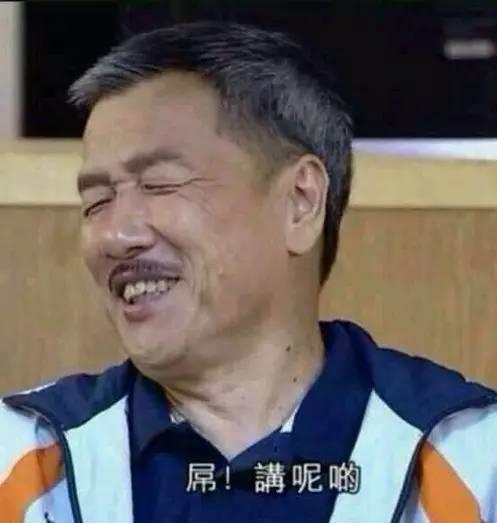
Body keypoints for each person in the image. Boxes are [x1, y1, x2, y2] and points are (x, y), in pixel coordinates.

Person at [1, 21, 496, 523]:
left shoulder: (473, 460)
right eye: (96, 202)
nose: (115, 235)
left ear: (300, 202)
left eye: (160, 184)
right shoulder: (21, 459)